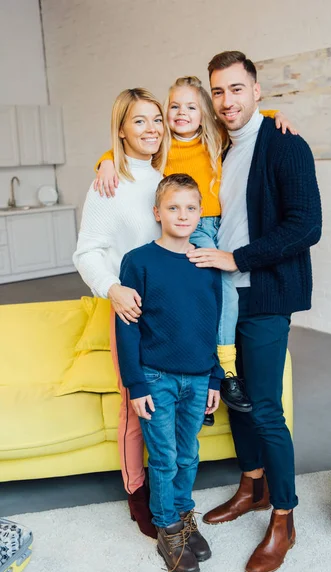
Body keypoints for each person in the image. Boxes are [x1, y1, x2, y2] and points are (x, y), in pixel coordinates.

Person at [187, 51, 322, 572]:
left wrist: (236, 258)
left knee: (265, 406)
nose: (227, 101)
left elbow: (306, 225)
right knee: (238, 402)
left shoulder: (285, 144)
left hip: (264, 294)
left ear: (257, 91)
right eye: (218, 92)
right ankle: (253, 487)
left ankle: (284, 518)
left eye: (236, 90)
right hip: (223, 298)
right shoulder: (218, 146)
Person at [94, 77, 297, 420]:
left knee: (222, 290)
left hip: (209, 224)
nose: (181, 113)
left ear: (204, 114)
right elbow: (130, 148)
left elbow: (245, 119)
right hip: (179, 224)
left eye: (191, 107)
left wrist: (278, 115)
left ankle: (224, 372)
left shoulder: (215, 138)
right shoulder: (163, 147)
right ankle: (192, 381)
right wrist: (105, 161)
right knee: (187, 296)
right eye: (174, 106)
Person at [73, 87, 170, 539]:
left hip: (172, 315)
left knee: (172, 401)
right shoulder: (108, 184)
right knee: (136, 407)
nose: (152, 129)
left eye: (157, 119)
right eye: (139, 121)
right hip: (130, 312)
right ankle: (137, 491)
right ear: (122, 130)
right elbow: (87, 251)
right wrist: (112, 289)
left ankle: (171, 482)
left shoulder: (165, 177)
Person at [115, 173, 223, 572]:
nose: (182, 215)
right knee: (164, 457)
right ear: (157, 212)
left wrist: (214, 377)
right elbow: (128, 326)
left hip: (197, 379)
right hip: (156, 378)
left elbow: (209, 325)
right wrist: (136, 384)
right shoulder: (139, 261)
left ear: (200, 214)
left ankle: (182, 514)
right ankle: (167, 528)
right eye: (173, 207)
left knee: (189, 453)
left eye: (191, 208)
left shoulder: (205, 264)